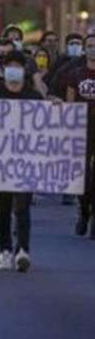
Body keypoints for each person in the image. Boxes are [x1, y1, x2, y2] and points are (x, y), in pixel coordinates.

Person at [0, 50, 41, 272]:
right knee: (3, 208)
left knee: (23, 206)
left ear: (24, 70)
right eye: (9, 65)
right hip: (0, 162)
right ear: (3, 70)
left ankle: (23, 250)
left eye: (18, 65)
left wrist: (55, 110)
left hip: (25, 161)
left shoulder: (34, 97)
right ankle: (5, 251)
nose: (14, 69)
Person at [65, 33, 95, 240]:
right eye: (91, 46)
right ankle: (84, 210)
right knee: (82, 177)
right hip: (81, 129)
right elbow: (69, 104)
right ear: (85, 49)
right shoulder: (75, 73)